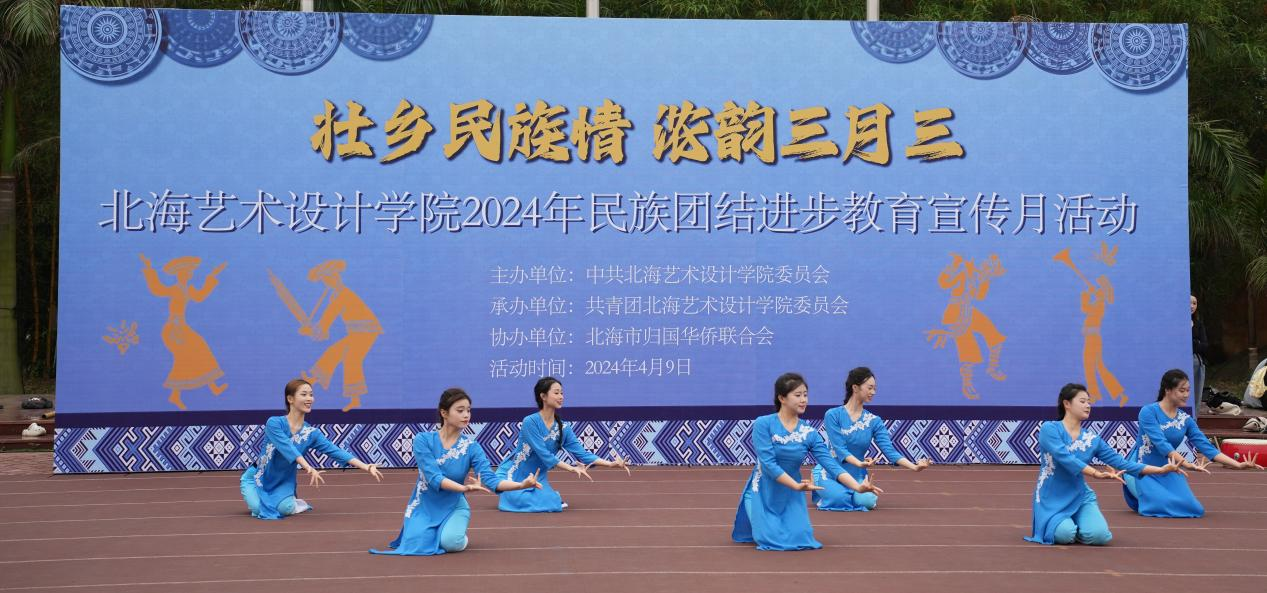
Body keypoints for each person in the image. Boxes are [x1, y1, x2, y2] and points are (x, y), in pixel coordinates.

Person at [371, 388, 540, 555]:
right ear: (444, 413)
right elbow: (434, 477)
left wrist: (521, 485)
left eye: (468, 410)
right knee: (417, 543)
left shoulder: (472, 447)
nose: (466, 415)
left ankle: (455, 532)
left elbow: (491, 480)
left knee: (451, 543)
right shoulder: (423, 440)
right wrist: (464, 488)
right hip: (424, 505)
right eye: (460, 411)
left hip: (454, 505)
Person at [732, 372, 882, 551]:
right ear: (782, 398)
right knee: (770, 539)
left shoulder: (809, 433)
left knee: (802, 538)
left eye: (805, 394)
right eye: (798, 395)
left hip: (790, 495)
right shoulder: (763, 424)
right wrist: (796, 486)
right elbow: (768, 465)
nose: (803, 400)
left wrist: (857, 487)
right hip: (763, 492)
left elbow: (831, 464)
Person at [1026, 383, 1180, 545]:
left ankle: (1077, 525)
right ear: (1067, 404)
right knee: (1065, 535)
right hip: (1051, 497)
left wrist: (1160, 470)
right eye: (1082, 401)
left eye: (1089, 402)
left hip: (1080, 495)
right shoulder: (1049, 429)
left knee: (1100, 536)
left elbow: (1122, 463)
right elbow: (1066, 458)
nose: (1088, 405)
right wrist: (1096, 473)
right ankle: (1067, 526)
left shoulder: (1092, 439)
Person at [1123, 369, 1265, 518]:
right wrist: (1186, 464)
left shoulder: (1185, 419)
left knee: (1194, 509)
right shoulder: (1148, 412)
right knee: (1163, 505)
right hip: (1141, 469)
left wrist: (1238, 465)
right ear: (1168, 390)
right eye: (1182, 390)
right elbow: (1162, 444)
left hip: (1170, 469)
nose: (1186, 394)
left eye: (1188, 390)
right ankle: (1143, 494)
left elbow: (1207, 447)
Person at [240, 379, 382, 520]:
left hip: (283, 481)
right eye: (304, 394)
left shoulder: (311, 433)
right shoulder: (274, 423)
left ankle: (292, 501)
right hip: (257, 477)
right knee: (258, 508)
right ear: (290, 399)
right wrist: (308, 467)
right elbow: (287, 447)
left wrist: (366, 466)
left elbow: (335, 451)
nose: (309, 399)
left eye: (311, 395)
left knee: (285, 508)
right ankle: (268, 498)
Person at [496, 377, 630, 512]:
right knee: (523, 500)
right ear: (543, 396)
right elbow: (544, 454)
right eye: (556, 393)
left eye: (562, 393)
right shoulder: (530, 422)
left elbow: (583, 454)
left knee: (551, 502)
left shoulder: (563, 428)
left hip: (538, 477)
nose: (561, 397)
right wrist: (571, 468)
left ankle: (547, 496)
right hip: (515, 474)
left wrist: (610, 464)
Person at [812, 367, 932, 511]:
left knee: (867, 501)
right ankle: (823, 486)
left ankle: (841, 494)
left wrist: (914, 467)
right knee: (839, 498)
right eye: (870, 388)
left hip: (856, 475)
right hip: (831, 472)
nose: (873, 392)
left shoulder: (874, 420)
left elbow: (889, 451)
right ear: (855, 388)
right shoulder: (833, 415)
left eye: (875, 388)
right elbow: (840, 449)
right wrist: (860, 462)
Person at [139, 254, 228, 410]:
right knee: (185, 357)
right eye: (186, 274)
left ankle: (208, 387)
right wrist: (148, 268)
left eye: (189, 274)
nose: (188, 276)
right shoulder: (174, 289)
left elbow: (200, 296)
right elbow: (156, 288)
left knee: (199, 349)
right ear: (180, 275)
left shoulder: (188, 290)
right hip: (173, 329)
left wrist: (212, 275)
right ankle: (178, 394)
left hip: (182, 327)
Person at [1192, 295, 1207, 404]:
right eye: (1189, 302)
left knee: (1196, 394)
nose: (1192, 306)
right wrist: (1197, 342)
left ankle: (1194, 415)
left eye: (1195, 303)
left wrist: (1194, 343)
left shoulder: (1198, 324)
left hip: (1196, 361)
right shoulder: (1177, 323)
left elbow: (1205, 345)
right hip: (1179, 361)